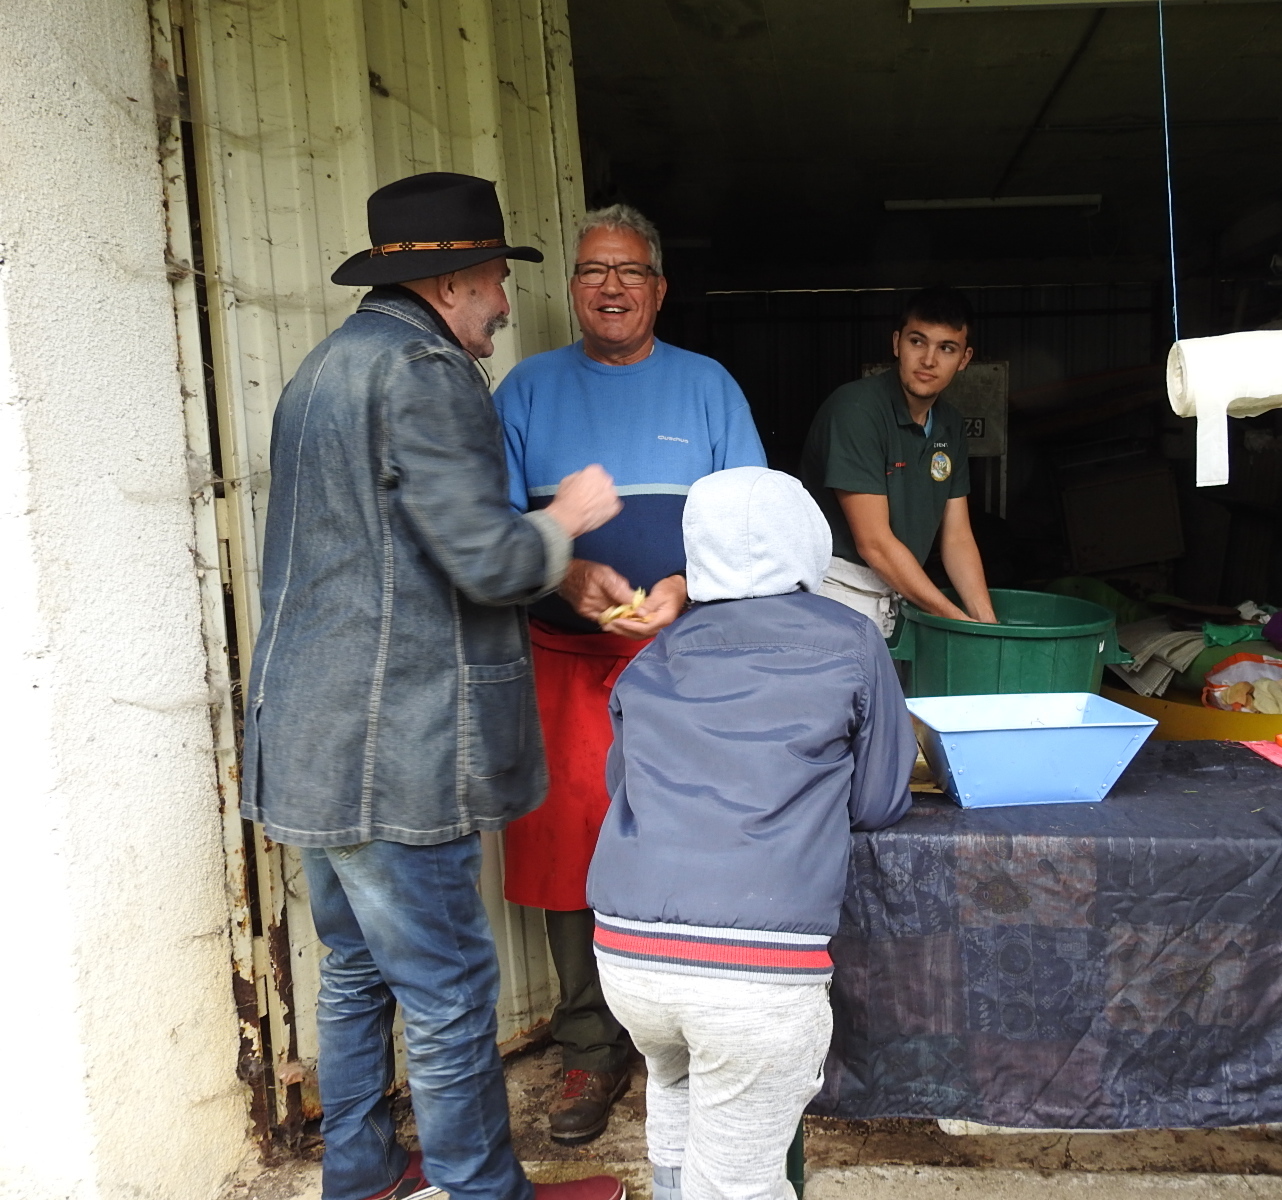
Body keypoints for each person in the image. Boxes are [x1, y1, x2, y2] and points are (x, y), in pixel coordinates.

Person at [241, 172, 625, 1200]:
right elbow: (487, 562)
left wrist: (550, 555)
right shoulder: (425, 370)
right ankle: (481, 1189)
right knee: (451, 989)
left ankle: (364, 1171)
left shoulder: (325, 369)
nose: (503, 303)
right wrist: (568, 518)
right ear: (454, 281)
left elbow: (389, 552)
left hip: (316, 736)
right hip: (395, 745)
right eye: (496, 278)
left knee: (358, 970)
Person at [492, 203, 766, 1143]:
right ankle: (590, 1047)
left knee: (692, 837)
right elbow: (488, 529)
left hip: (683, 660)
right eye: (592, 271)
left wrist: (689, 583)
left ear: (659, 287)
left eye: (629, 271)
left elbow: (754, 520)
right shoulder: (527, 390)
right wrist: (562, 570)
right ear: (572, 287)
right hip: (561, 660)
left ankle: (692, 1038)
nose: (610, 286)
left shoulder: (708, 387)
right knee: (571, 843)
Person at [588, 467, 916, 1200]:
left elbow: (625, 790)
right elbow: (878, 799)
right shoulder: (852, 639)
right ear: (808, 542)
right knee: (740, 1185)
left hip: (629, 960)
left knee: (676, 1097)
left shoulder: (654, 654)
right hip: (752, 976)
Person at [800, 286, 997, 636]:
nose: (929, 360)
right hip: (837, 596)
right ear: (897, 343)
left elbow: (956, 537)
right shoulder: (856, 411)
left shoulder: (949, 424)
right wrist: (955, 620)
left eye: (946, 348)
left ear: (964, 358)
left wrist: (987, 625)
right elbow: (874, 543)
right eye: (917, 341)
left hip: (901, 593)